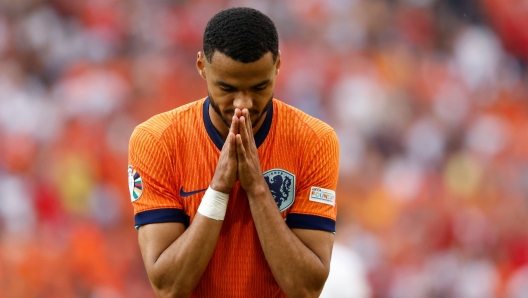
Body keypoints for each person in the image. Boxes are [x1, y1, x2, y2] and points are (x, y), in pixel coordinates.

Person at [128, 7, 339, 298]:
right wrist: (218, 189)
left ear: (277, 65)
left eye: (260, 87)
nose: (244, 104)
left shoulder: (314, 140)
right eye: (226, 88)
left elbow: (306, 289)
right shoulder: (156, 140)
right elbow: (168, 287)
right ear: (202, 66)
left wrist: (257, 189)